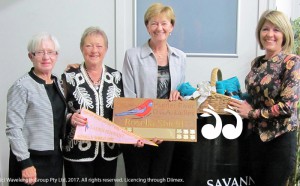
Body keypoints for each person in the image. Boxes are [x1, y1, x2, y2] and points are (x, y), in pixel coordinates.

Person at [229, 10, 300, 186]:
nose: (270, 34)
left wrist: (251, 113)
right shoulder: (257, 63)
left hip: (279, 141)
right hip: (255, 141)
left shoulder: (292, 62)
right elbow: (254, 96)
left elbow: (287, 107)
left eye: (276, 30)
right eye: (265, 29)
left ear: (285, 34)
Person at [121, 3, 186, 185]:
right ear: (147, 27)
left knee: (160, 181)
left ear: (171, 26)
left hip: (167, 133)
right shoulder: (132, 55)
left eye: (164, 23)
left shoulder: (181, 57)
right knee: (138, 181)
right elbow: (129, 96)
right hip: (138, 135)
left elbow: (181, 95)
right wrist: (143, 131)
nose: (159, 28)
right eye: (154, 23)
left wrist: (179, 96)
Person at [62, 26, 128, 186]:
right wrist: (70, 118)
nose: (94, 50)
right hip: (76, 152)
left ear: (106, 49)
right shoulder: (68, 76)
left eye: (99, 46)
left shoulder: (116, 77)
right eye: (89, 45)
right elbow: (57, 111)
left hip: (108, 151)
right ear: (81, 48)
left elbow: (125, 111)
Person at [6, 33, 66, 186]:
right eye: (40, 52)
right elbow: (13, 128)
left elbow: (55, 117)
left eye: (50, 52)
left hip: (54, 159)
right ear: (30, 56)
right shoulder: (21, 86)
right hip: (30, 160)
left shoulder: (58, 83)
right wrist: (25, 162)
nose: (46, 57)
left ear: (56, 55)